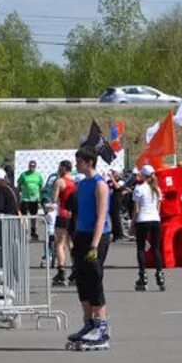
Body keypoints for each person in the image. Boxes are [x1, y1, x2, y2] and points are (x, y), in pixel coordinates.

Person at [65, 147, 112, 350]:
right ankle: (88, 322)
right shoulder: (81, 185)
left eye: (79, 161)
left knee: (94, 280)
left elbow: (101, 217)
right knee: (81, 280)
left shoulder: (99, 184)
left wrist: (94, 244)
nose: (76, 165)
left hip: (97, 237)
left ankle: (101, 326)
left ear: (89, 162)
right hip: (81, 235)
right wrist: (74, 236)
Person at [132, 165, 164, 291]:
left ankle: (143, 276)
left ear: (143, 175)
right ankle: (160, 274)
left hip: (143, 220)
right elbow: (158, 208)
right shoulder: (157, 189)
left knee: (141, 249)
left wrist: (132, 224)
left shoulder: (139, 188)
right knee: (155, 249)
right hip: (155, 219)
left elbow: (136, 209)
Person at [51, 161, 76, 286]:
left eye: (59, 167)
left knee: (59, 244)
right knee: (70, 243)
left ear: (64, 168)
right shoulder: (74, 182)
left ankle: (61, 272)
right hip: (72, 215)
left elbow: (54, 199)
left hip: (62, 214)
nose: (58, 169)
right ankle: (75, 268)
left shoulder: (60, 181)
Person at [17, 160, 44, 240]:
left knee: (33, 216)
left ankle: (33, 232)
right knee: (24, 215)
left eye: (33, 166)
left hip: (34, 198)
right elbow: (19, 185)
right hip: (25, 198)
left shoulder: (38, 175)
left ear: (35, 166)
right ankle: (23, 231)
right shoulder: (24, 175)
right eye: (31, 165)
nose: (32, 167)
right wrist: (18, 194)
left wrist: (39, 195)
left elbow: (40, 186)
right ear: (28, 166)